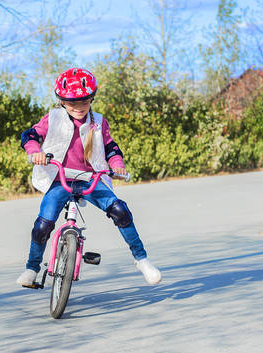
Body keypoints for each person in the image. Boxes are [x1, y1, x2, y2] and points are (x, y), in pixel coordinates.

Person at [16, 67, 162, 287]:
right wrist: (34, 152)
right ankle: (32, 268)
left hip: (90, 178)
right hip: (59, 178)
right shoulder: (53, 118)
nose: (78, 107)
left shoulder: (98, 122)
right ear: (62, 101)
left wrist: (117, 165)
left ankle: (142, 260)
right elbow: (30, 135)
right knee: (42, 226)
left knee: (120, 211)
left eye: (84, 102)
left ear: (92, 98)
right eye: (72, 103)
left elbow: (111, 148)